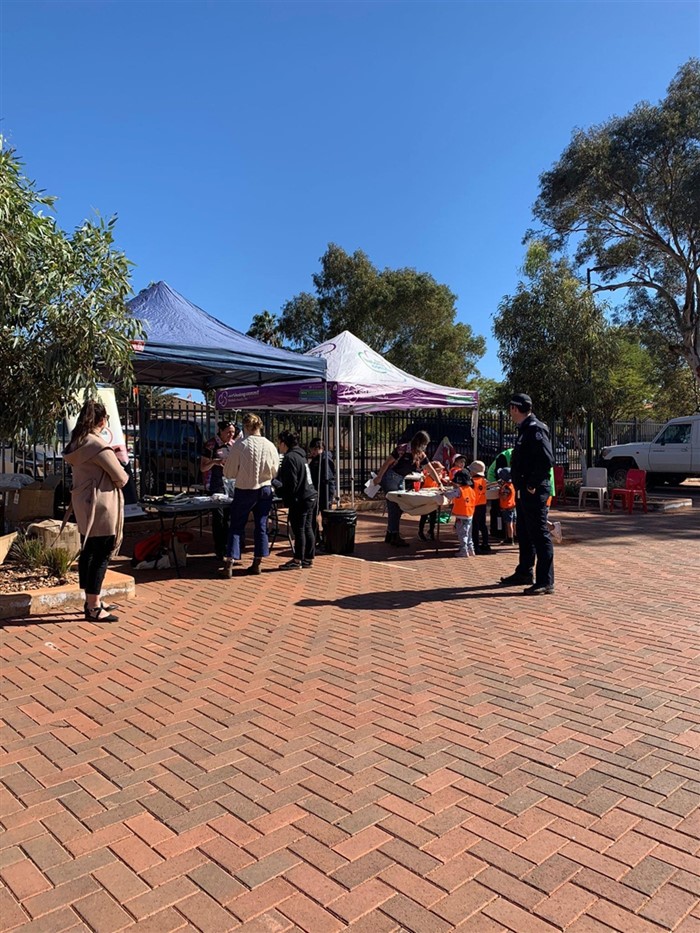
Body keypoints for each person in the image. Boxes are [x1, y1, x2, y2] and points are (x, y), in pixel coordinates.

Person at [64, 400, 128, 622]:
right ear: (102, 420)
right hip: (101, 506)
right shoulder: (97, 445)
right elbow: (121, 478)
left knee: (89, 552)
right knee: (101, 554)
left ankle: (92, 600)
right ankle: (93, 607)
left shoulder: (76, 442)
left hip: (84, 504)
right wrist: (118, 458)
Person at [500, 393, 555, 595]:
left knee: (539, 534)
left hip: (534, 490)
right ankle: (524, 572)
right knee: (525, 532)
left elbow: (546, 460)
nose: (509, 412)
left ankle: (545, 580)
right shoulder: (525, 429)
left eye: (510, 408)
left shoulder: (535, 429)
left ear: (515, 408)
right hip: (524, 490)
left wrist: (531, 484)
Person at [222, 413, 279, 576]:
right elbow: (275, 471)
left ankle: (230, 563)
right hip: (265, 489)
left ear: (246, 427)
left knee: (236, 525)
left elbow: (229, 472)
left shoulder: (241, 445)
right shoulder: (270, 445)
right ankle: (257, 561)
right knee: (261, 525)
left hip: (245, 489)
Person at [375, 431, 444, 547]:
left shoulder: (421, 455)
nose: (425, 446)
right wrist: (379, 477)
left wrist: (439, 483)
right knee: (394, 506)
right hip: (391, 477)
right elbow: (387, 463)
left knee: (400, 505)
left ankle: (391, 532)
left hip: (401, 478)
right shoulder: (403, 449)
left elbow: (431, 469)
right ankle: (394, 534)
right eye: (425, 444)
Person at [276, 431, 317, 570]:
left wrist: (277, 487)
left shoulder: (289, 458)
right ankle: (308, 558)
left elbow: (291, 484)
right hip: (310, 495)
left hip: (300, 498)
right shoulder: (301, 455)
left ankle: (298, 559)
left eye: (279, 442)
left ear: (283, 443)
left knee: (299, 529)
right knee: (307, 527)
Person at [200, 421, 239, 560]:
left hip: (230, 484)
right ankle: (220, 548)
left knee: (229, 516)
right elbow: (203, 467)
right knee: (219, 517)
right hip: (215, 485)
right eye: (228, 432)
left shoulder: (233, 444)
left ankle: (229, 547)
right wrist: (215, 462)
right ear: (220, 431)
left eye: (233, 432)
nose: (231, 435)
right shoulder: (211, 445)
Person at [308, 437, 336, 547]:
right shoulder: (317, 460)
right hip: (318, 491)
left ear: (321, 448)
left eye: (315, 449)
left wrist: (329, 495)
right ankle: (318, 537)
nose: (313, 452)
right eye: (312, 450)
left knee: (325, 516)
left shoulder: (324, 460)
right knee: (315, 515)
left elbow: (327, 478)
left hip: (323, 492)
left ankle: (325, 538)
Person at [443, 469, 476, 557]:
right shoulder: (471, 490)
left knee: (462, 534)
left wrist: (443, 493)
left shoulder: (459, 490)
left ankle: (463, 550)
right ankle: (471, 549)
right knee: (468, 533)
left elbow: (449, 495)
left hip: (461, 515)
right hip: (469, 514)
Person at [468, 460, 493, 554]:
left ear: (474, 471)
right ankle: (485, 544)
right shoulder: (484, 481)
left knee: (475, 526)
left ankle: (476, 545)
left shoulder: (472, 481)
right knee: (483, 525)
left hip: (474, 506)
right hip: (482, 505)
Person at [418, 461, 447, 540]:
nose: (440, 471)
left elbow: (441, 482)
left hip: (433, 499)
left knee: (433, 516)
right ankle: (420, 532)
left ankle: (431, 531)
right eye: (438, 470)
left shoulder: (437, 477)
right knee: (424, 516)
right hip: (426, 499)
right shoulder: (428, 478)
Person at [497, 467, 516, 546]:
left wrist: (499, 492)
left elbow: (504, 496)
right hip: (513, 506)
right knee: (514, 522)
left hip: (507, 507)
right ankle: (515, 536)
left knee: (509, 523)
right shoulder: (511, 484)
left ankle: (510, 538)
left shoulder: (505, 487)